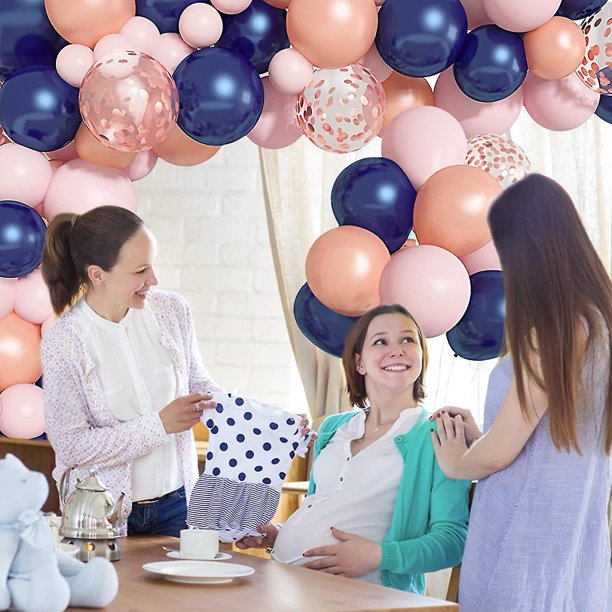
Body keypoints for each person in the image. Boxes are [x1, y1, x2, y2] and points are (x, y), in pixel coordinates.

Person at [430, 174, 612, 611]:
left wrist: (458, 463)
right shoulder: (599, 322)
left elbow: (501, 454)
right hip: (574, 543)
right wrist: (482, 434)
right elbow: (547, 436)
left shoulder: (555, 330)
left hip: (520, 535)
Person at [236, 304, 471, 594]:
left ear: (422, 355)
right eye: (381, 341)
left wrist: (379, 556)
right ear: (359, 362)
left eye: (408, 340)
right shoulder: (335, 428)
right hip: (287, 584)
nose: (397, 349)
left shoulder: (438, 433)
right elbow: (326, 507)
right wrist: (278, 535)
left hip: (366, 597)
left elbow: (452, 541)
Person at [41, 206, 222, 538]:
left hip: (180, 506)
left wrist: (270, 421)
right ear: (97, 274)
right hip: (101, 516)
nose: (153, 280)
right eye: (140, 270)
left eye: (151, 265)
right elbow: (71, 447)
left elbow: (200, 386)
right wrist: (160, 425)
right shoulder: (63, 341)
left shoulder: (171, 311)